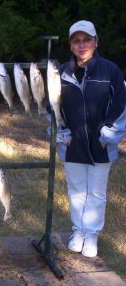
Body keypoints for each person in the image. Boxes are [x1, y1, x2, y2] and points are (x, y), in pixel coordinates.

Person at [54, 20, 126, 258]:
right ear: (71, 45)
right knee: (76, 191)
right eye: (77, 40)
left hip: (100, 144)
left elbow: (121, 107)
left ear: (96, 41)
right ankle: (78, 231)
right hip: (73, 143)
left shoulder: (111, 71)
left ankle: (91, 233)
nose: (82, 45)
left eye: (87, 39)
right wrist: (62, 134)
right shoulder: (61, 73)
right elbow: (52, 108)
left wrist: (108, 136)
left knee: (96, 192)